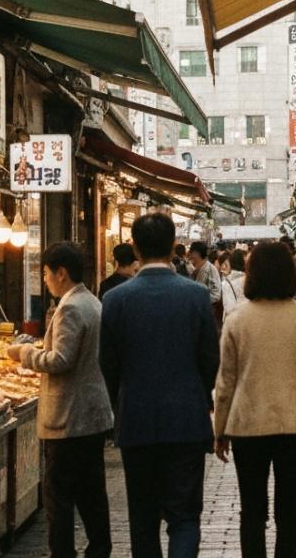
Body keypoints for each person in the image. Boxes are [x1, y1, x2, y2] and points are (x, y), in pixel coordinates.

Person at [100, 213, 220, 558]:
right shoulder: (195, 296)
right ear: (172, 247)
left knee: (143, 518)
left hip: (136, 420)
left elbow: (108, 364)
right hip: (187, 420)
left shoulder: (116, 299)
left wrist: (121, 401)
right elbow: (210, 359)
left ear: (135, 247)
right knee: (184, 516)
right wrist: (201, 397)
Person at [213, 242, 296, 558]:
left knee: (251, 511)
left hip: (247, 426)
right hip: (294, 426)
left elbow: (226, 380)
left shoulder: (237, 320)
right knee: (289, 511)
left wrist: (219, 429)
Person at [8, 242, 115, 558]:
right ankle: (99, 548)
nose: (44, 279)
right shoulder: (92, 302)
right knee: (91, 493)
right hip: (90, 416)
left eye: (45, 272)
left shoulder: (70, 307)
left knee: (59, 496)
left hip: (69, 418)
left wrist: (24, 353)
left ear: (61, 272)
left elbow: (60, 360)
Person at [189, 240, 224, 328]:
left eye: (191, 252)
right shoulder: (196, 269)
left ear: (196, 253)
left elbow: (216, 294)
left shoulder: (210, 269)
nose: (190, 255)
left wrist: (202, 300)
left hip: (208, 314)